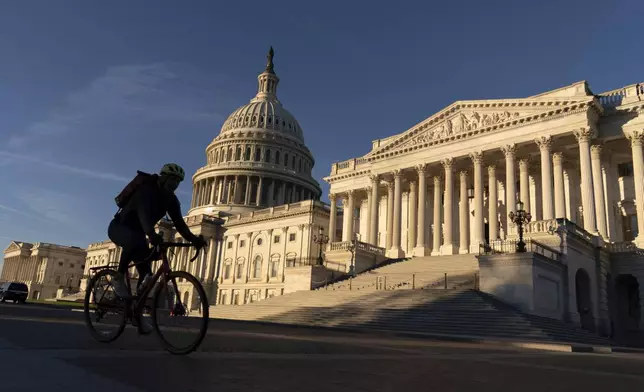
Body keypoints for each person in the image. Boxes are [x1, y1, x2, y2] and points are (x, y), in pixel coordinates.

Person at [108, 163, 207, 298]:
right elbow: (143, 214)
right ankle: (118, 277)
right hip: (120, 227)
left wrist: (194, 239)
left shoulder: (170, 199)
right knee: (133, 240)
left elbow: (179, 224)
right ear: (164, 177)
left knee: (147, 273)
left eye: (178, 182)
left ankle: (136, 304)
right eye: (173, 179)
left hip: (140, 234)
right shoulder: (146, 190)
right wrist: (151, 234)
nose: (175, 184)